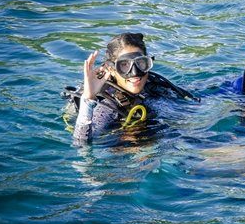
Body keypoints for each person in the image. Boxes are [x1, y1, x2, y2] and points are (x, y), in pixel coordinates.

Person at [64, 32, 197, 145]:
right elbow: (81, 142)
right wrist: (88, 99)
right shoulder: (106, 105)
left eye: (141, 63)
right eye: (124, 65)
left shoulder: (152, 86)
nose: (135, 73)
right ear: (111, 69)